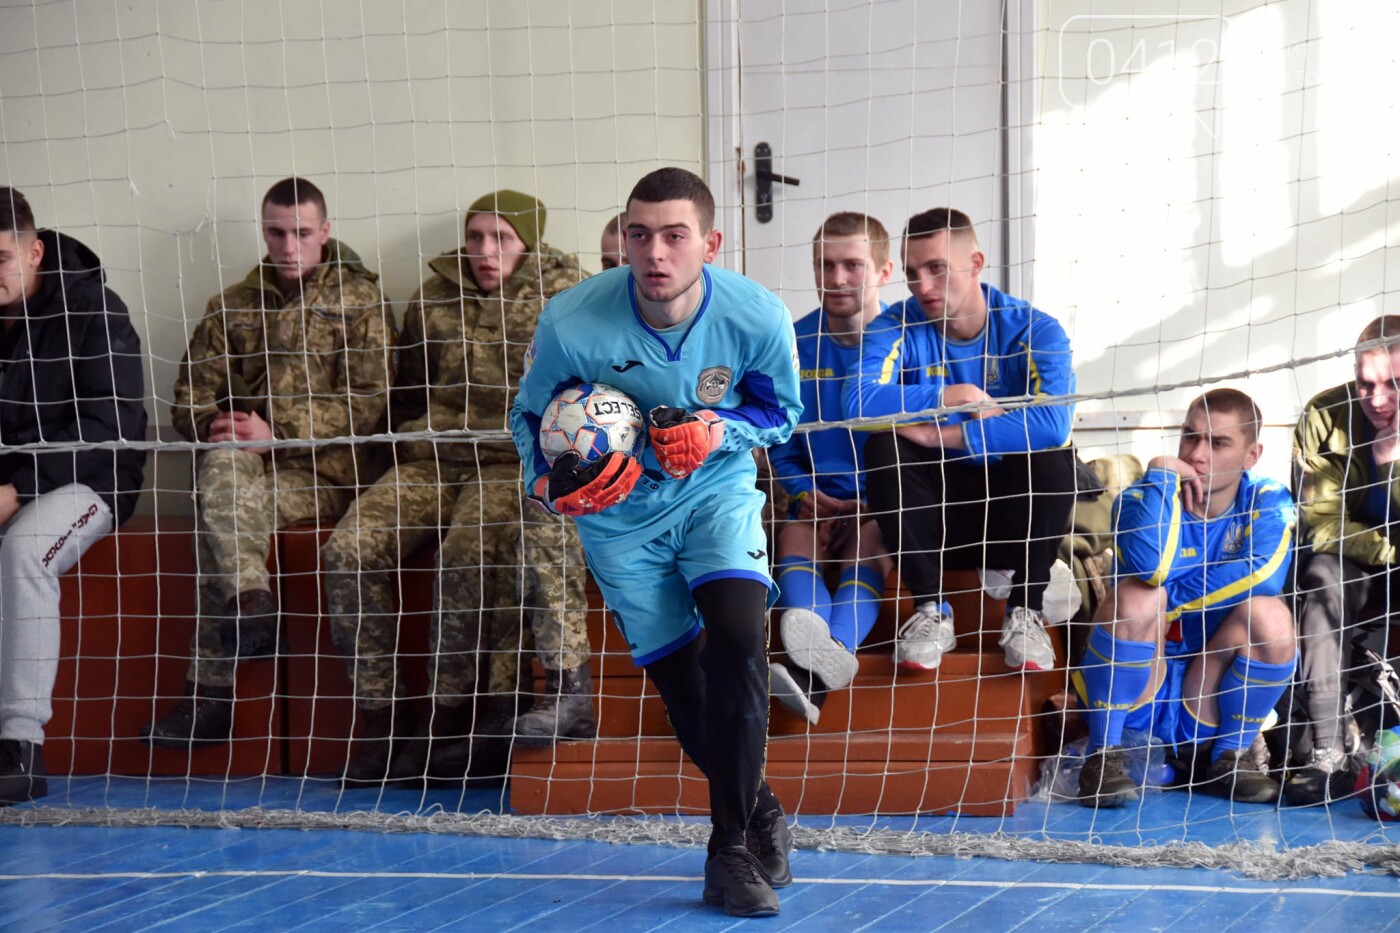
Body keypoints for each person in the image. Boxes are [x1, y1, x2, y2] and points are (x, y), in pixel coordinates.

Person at [510, 168, 801, 917]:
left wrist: (717, 429)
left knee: (739, 636)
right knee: (686, 692)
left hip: (714, 492)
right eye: (639, 234)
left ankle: (728, 848)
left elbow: (781, 413)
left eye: (675, 236)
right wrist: (546, 485)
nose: (655, 252)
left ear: (710, 242)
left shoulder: (756, 314)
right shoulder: (572, 320)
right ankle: (761, 806)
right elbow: (526, 419)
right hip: (618, 519)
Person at [320, 189, 593, 785]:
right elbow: (407, 391)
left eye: (502, 239)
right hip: (433, 457)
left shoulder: (568, 299)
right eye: (476, 238)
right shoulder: (432, 299)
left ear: (529, 243)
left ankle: (453, 720)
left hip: (507, 460)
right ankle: (382, 715)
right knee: (346, 550)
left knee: (464, 556)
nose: (485, 251)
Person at [143, 177, 394, 748]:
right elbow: (188, 395)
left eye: (301, 233)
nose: (288, 246)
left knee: (220, 521)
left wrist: (277, 432)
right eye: (276, 232)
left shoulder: (360, 303)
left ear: (324, 232)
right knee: (223, 474)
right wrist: (217, 424)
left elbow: (368, 402)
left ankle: (208, 698)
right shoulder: (230, 306)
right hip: (248, 471)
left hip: (329, 474)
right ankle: (252, 603)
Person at [846, 208, 1077, 673]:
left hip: (1012, 514)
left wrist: (942, 434)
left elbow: (1053, 423)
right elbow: (857, 404)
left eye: (937, 269)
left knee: (1055, 457)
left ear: (976, 262)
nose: (923, 287)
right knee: (884, 447)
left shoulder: (1034, 328)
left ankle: (1025, 609)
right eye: (912, 274)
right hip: (935, 521)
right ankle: (932, 611)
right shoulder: (897, 325)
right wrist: (956, 395)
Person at [1075, 388, 1297, 807]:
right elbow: (1152, 569)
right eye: (1190, 437)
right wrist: (1160, 472)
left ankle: (1230, 758)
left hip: (1209, 692)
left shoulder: (1266, 499)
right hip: (1139, 687)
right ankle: (1102, 758)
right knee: (1140, 597)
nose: (1197, 454)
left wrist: (1170, 604)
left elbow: (1264, 574)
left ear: (1252, 455)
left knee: (1272, 616)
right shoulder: (1142, 497)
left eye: (1218, 443)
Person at [0, 188, 147, 805]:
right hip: (7, 482)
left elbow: (112, 427)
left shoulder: (94, 308)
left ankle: (20, 748)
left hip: (89, 481)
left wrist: (19, 487)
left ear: (34, 252)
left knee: (26, 550)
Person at [767, 212, 894, 723]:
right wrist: (802, 491)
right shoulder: (791, 344)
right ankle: (830, 655)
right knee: (794, 536)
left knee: (869, 541)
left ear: (884, 271)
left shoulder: (906, 342)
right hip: (816, 503)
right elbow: (779, 441)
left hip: (883, 505)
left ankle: (811, 674)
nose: (837, 279)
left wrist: (879, 499)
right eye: (825, 265)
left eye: (853, 265)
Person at [1287, 316, 1400, 804]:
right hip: (1347, 561)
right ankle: (1326, 749)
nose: (1377, 400)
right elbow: (1322, 528)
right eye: (1365, 384)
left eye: (1393, 384)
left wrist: (1392, 461)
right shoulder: (1323, 415)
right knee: (1318, 580)